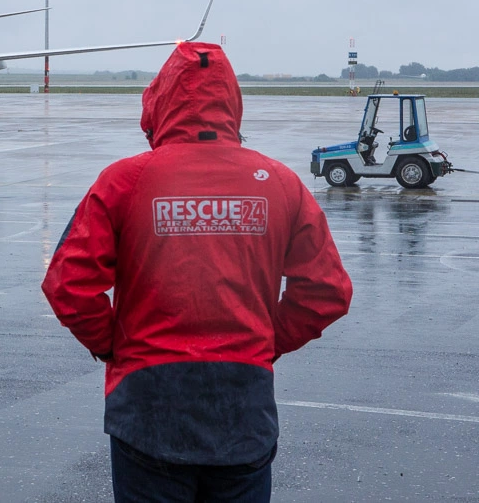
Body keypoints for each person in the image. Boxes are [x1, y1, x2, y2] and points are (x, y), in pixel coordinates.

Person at [41, 42, 352, 503]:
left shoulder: (124, 181)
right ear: (231, 100)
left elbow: (67, 282)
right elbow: (327, 290)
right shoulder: (281, 183)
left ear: (161, 99)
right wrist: (266, 340)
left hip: (148, 401)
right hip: (242, 402)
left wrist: (112, 345)